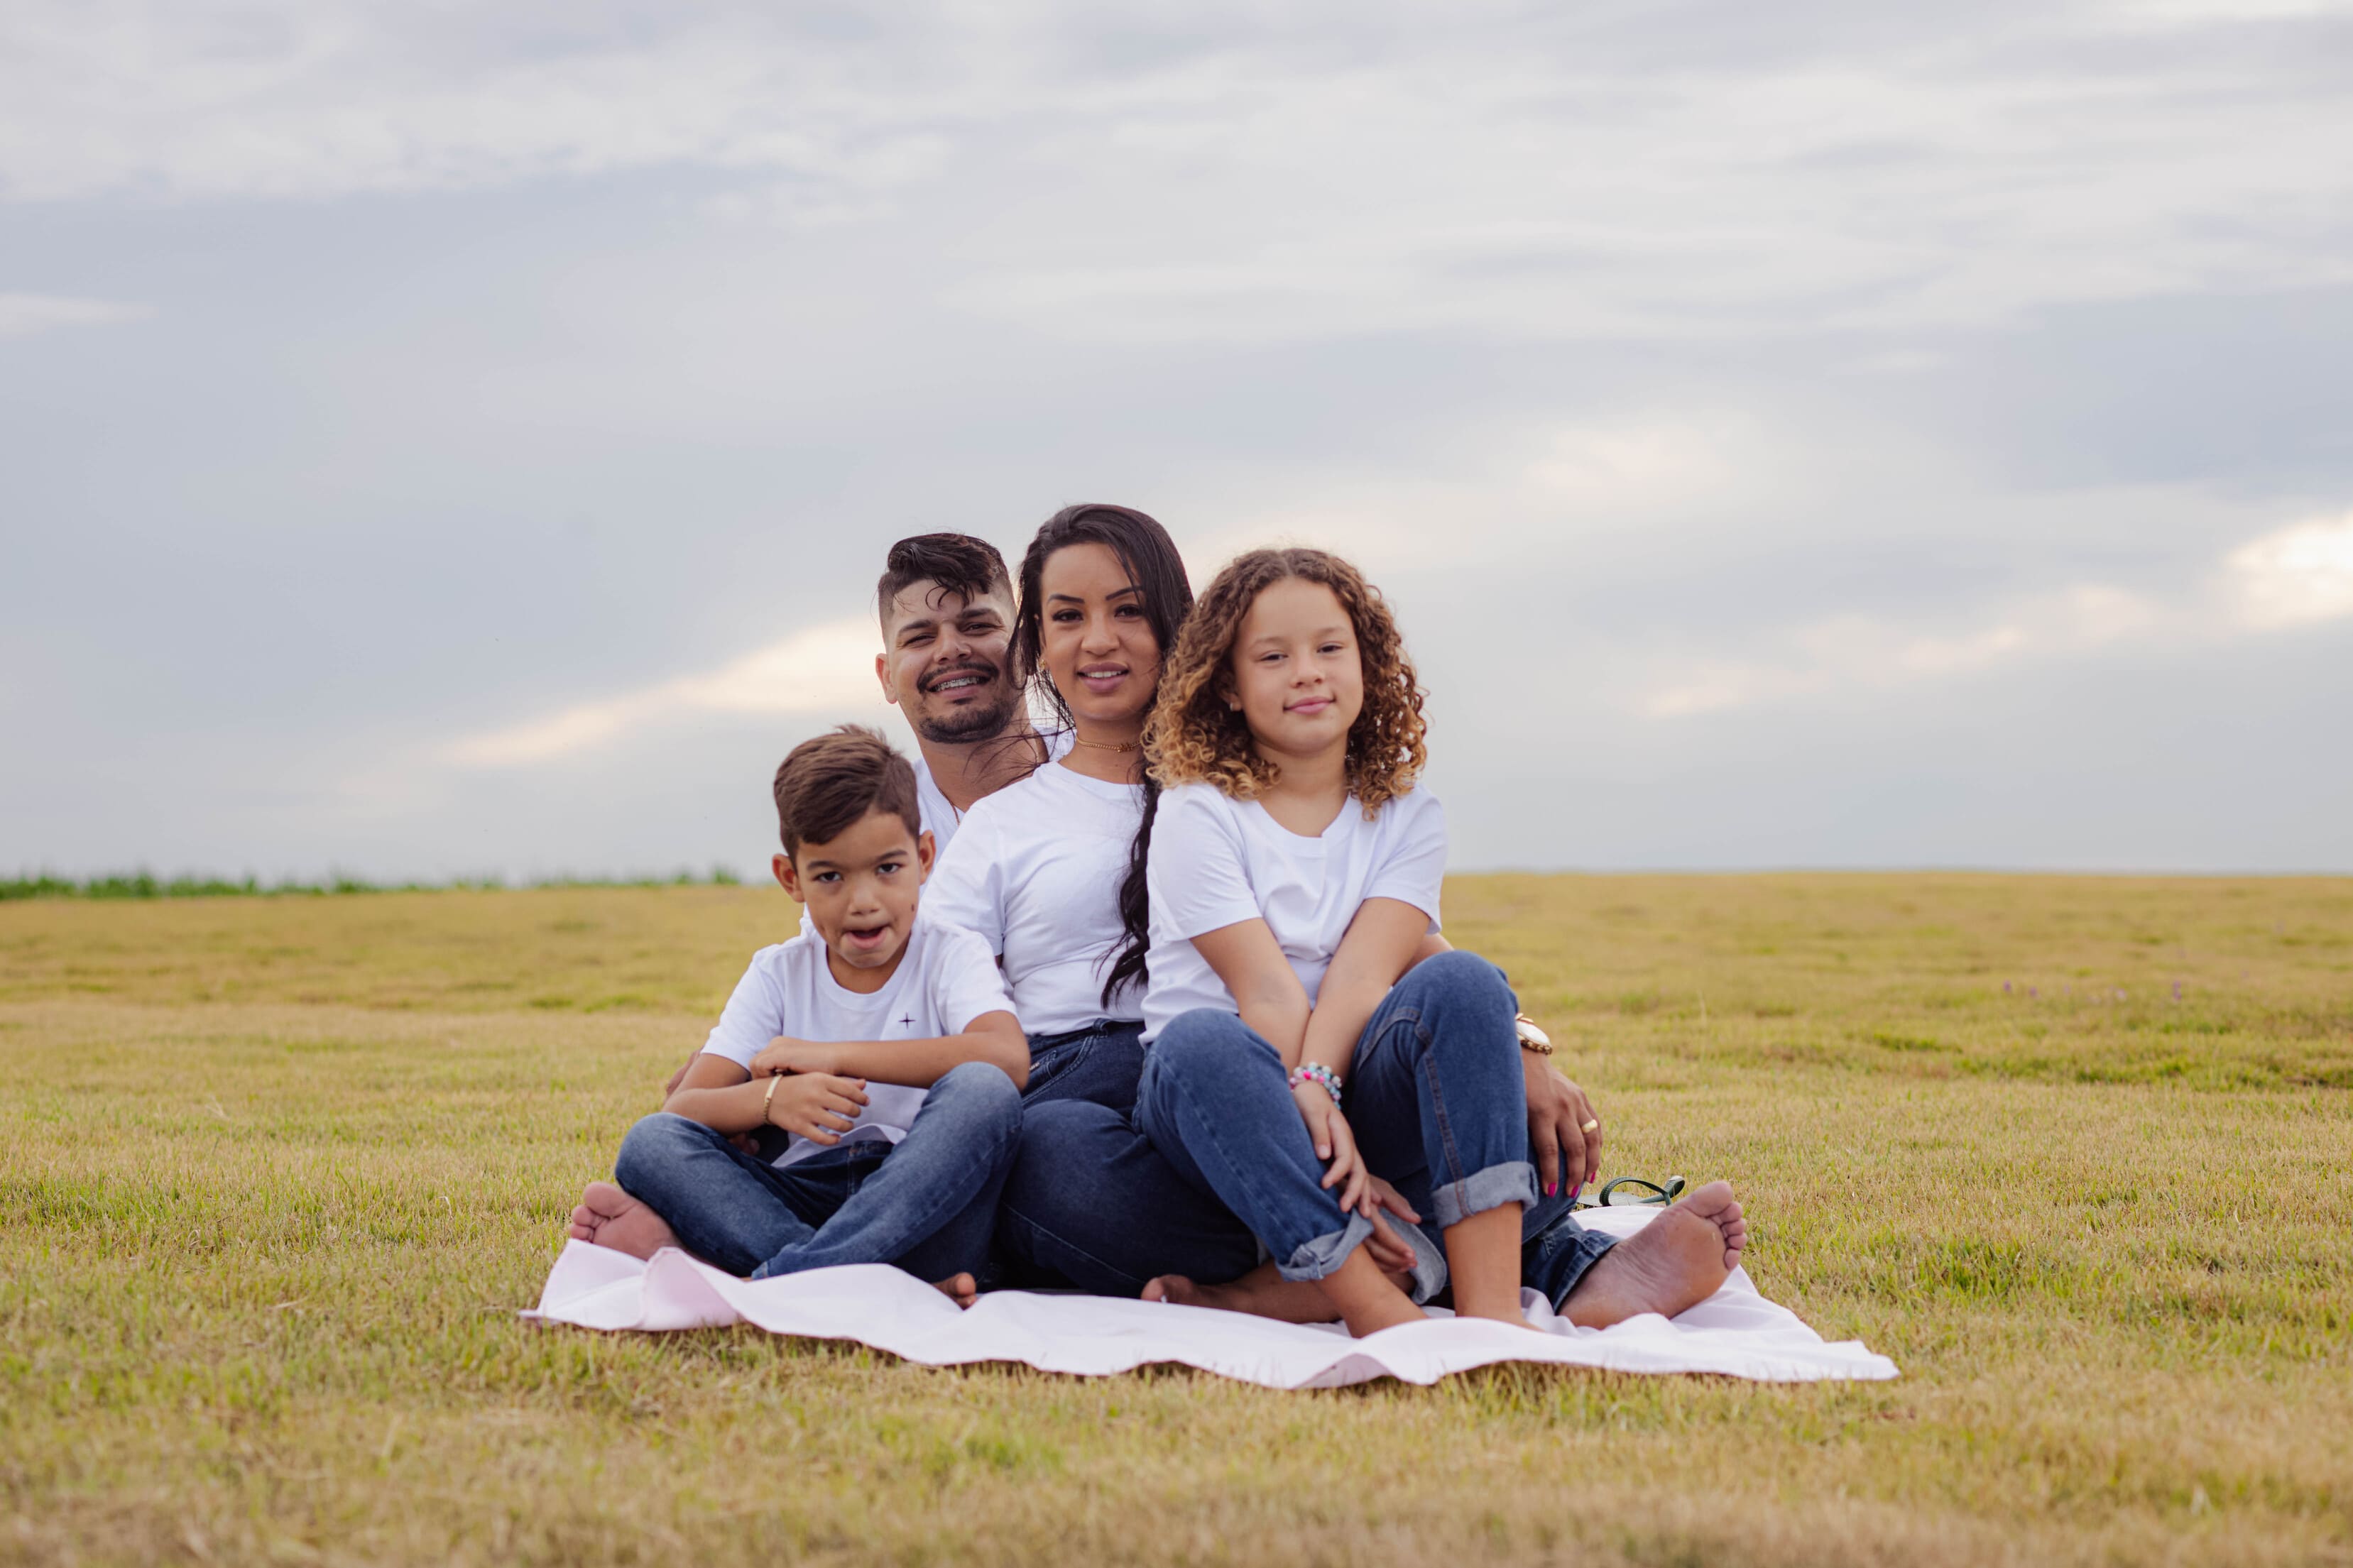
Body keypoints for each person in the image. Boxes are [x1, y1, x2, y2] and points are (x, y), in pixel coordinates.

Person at [1003, 548, 1748, 1333]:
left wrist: (1330, 1095)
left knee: (1465, 982)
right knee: (1187, 1054)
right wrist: (1326, 1145)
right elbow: (1264, 993)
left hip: (1344, 1084)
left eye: (1329, 649)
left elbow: (1363, 978)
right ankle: (1377, 1303)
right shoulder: (1199, 811)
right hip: (1227, 1108)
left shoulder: (1404, 813)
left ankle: (1486, 1312)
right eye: (1272, 656)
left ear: (1368, 663)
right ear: (1228, 682)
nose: (1306, 673)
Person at [569, 726, 1027, 1305]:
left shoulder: (950, 951)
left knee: (982, 1091)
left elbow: (1007, 1058)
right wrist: (771, 1102)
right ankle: (863, 1286)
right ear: (792, 878)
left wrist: (829, 1055)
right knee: (650, 1142)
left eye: (888, 868)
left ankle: (779, 1287)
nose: (863, 900)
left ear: (925, 857)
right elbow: (683, 1109)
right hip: (800, 1196)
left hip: (921, 1205)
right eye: (831, 876)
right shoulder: (779, 972)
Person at [923, 505, 1191, 1112]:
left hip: (1217, 1072)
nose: (1099, 639)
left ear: (1173, 620)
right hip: (1069, 1084)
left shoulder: (1237, 792)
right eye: (1068, 616)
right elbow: (927, 985)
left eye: (1129, 609)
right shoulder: (1001, 822)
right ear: (1041, 642)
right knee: (1064, 1149)